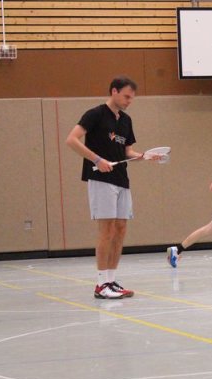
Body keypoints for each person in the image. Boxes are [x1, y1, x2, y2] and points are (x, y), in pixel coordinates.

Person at [66, 76, 160, 300]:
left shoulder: (126, 121)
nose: (129, 101)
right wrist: (97, 159)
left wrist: (145, 156)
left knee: (120, 229)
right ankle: (100, 284)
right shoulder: (95, 114)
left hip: (121, 179)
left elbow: (127, 153)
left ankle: (110, 280)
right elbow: (72, 140)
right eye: (126, 96)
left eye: (132, 98)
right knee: (106, 229)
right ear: (114, 91)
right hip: (100, 178)